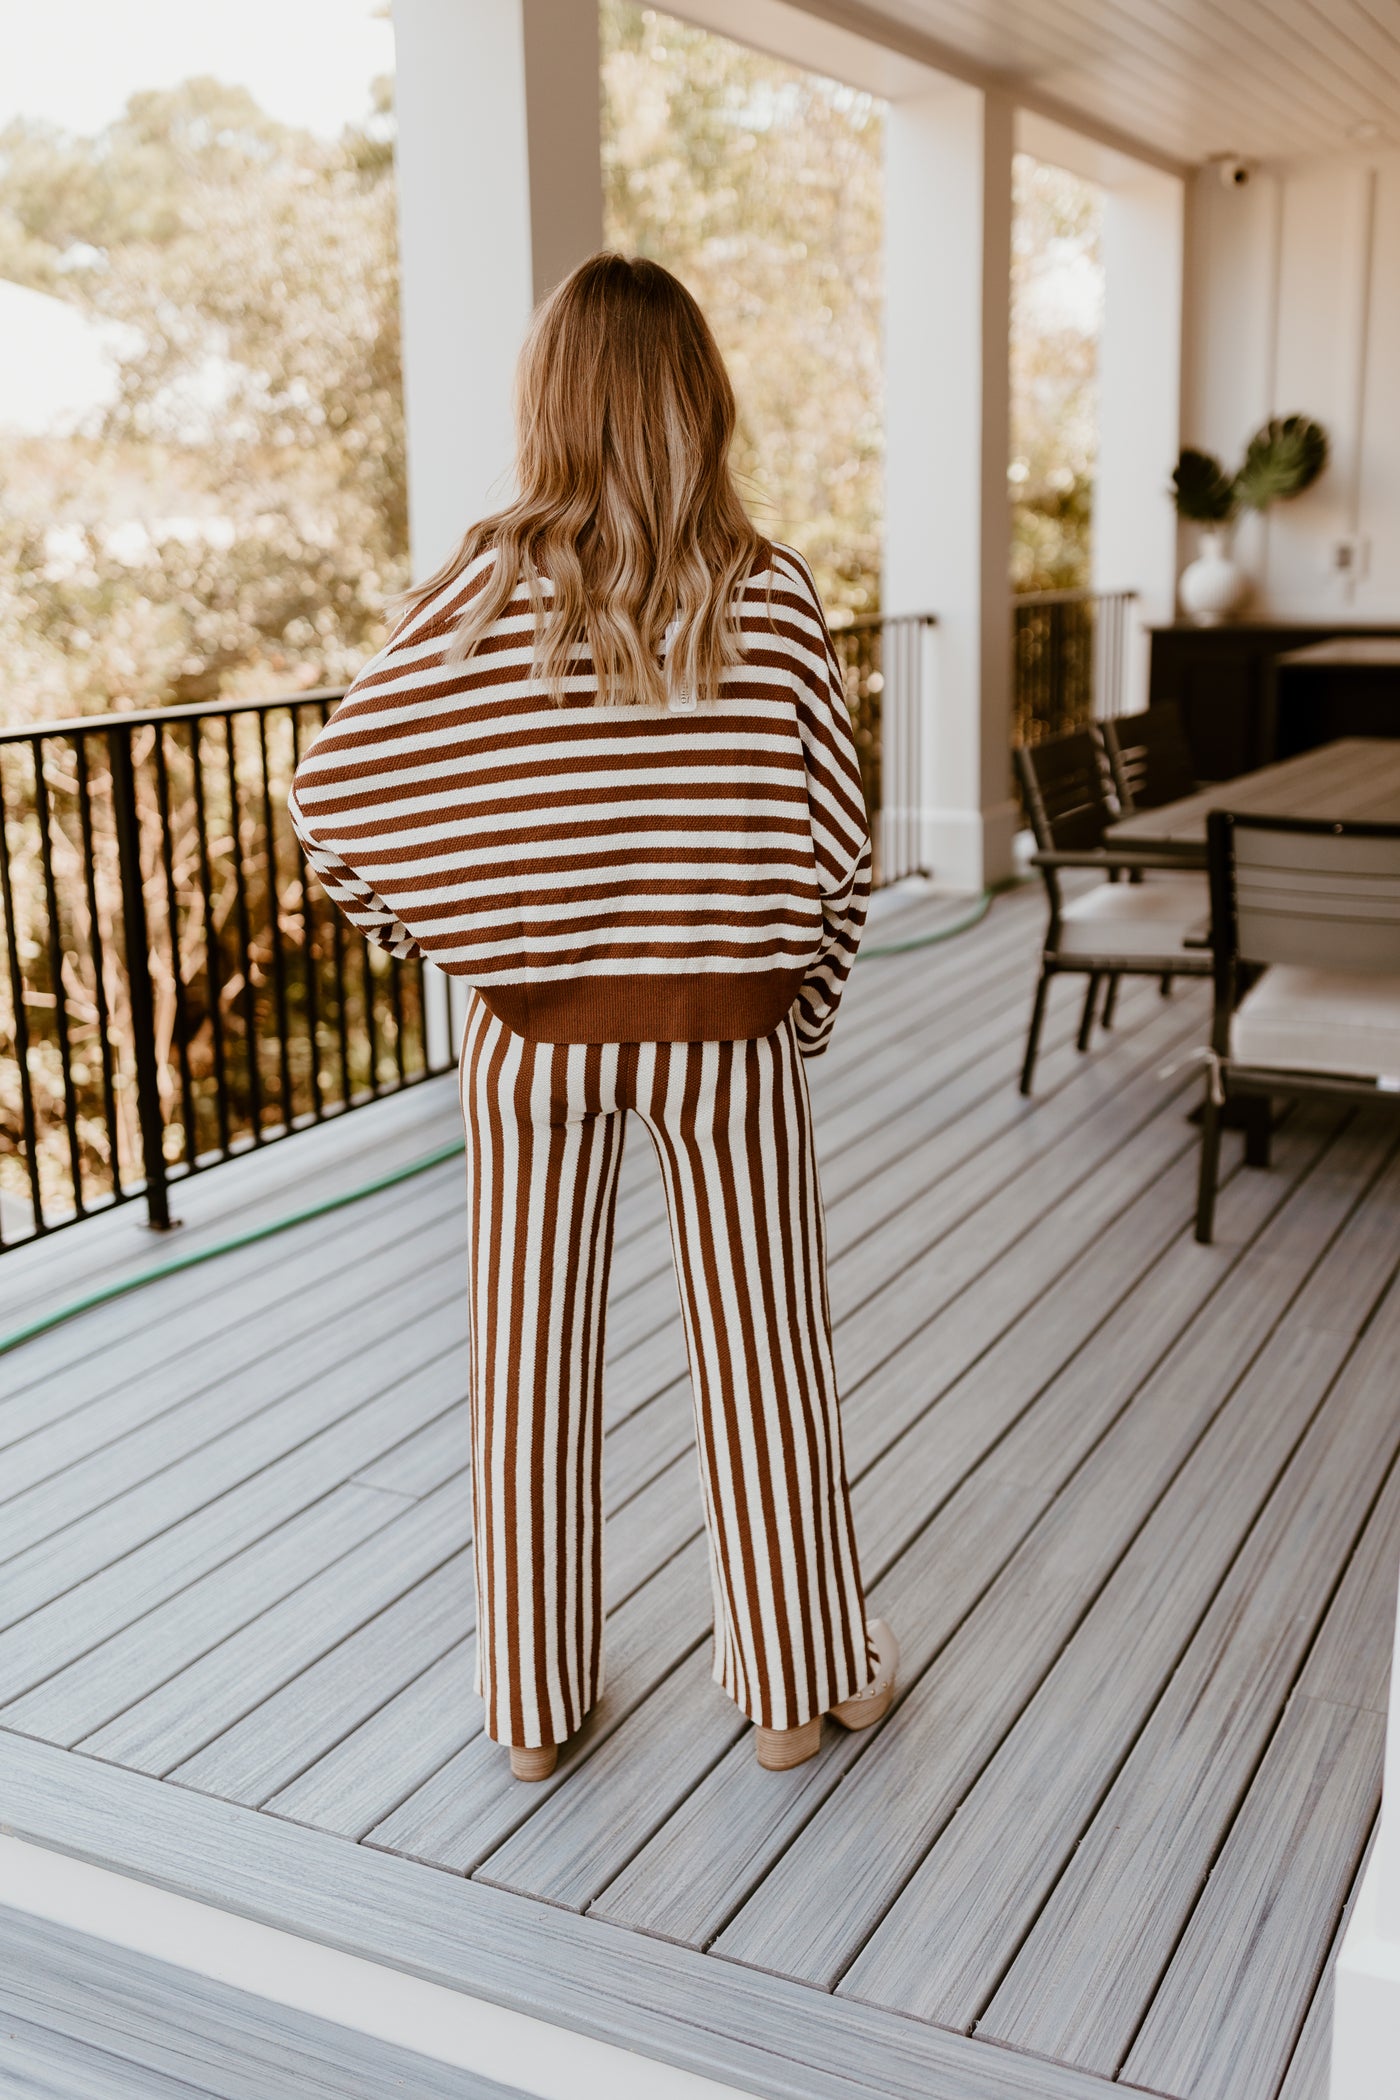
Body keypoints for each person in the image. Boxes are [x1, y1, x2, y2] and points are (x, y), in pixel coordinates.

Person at [288, 251, 897, 1781]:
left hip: (533, 1041)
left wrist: (469, 954)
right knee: (766, 1358)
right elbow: (840, 846)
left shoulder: (478, 591)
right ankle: (794, 1694)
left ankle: (538, 1716)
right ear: (700, 394)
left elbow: (334, 799)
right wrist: (798, 1014)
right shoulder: (770, 591)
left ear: (548, 398)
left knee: (528, 1368)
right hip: (729, 1033)